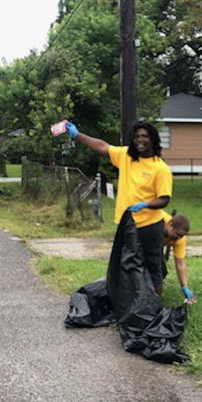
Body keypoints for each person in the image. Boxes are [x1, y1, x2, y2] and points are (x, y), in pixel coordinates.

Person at [65, 120, 173, 297]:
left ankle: (154, 308)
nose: (140, 140)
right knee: (127, 266)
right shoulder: (126, 157)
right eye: (137, 136)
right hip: (127, 226)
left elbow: (164, 199)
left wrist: (146, 204)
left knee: (153, 267)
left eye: (144, 136)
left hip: (149, 226)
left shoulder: (160, 168)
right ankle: (131, 305)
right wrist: (78, 135)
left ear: (152, 140)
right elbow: (102, 147)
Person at [162, 211, 196, 304]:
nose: (178, 238)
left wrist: (184, 286)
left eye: (181, 236)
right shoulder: (159, 221)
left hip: (157, 246)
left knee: (161, 271)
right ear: (170, 225)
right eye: (177, 234)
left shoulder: (180, 239)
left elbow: (180, 263)